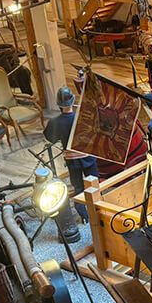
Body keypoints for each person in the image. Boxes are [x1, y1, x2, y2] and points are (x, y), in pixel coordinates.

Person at [43, 86, 97, 221]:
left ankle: (84, 216)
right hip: (88, 156)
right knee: (94, 185)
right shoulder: (83, 117)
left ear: (58, 104)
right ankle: (98, 212)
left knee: (78, 188)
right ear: (73, 101)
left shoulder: (55, 122)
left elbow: (50, 138)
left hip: (72, 160)